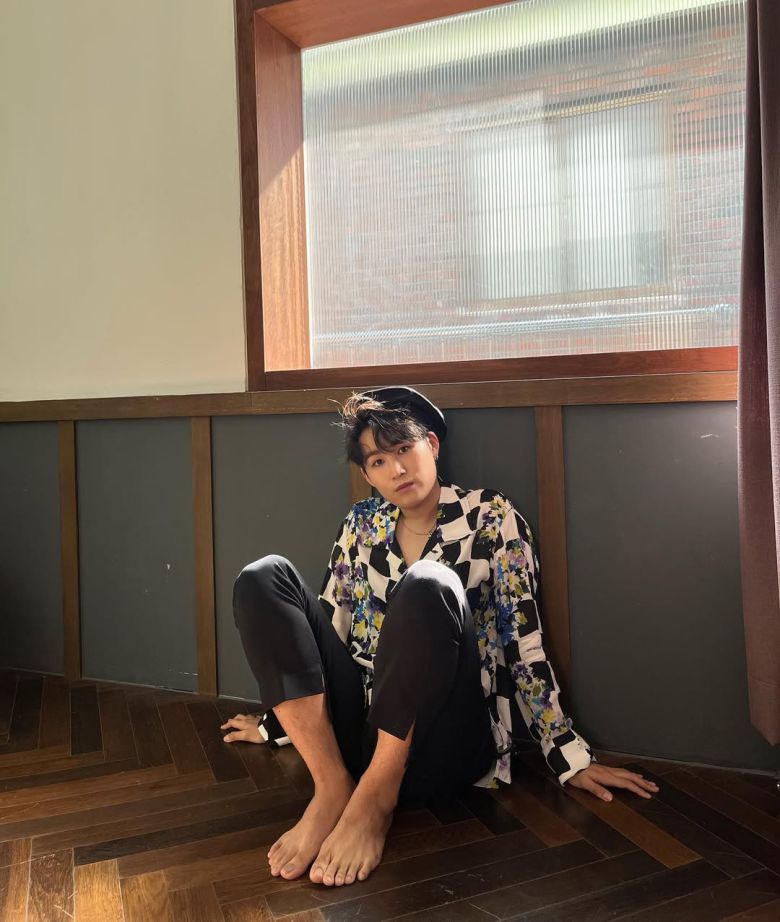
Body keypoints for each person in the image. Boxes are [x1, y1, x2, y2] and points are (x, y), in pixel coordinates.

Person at [221, 386, 659, 888]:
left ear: (431, 445)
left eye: (405, 449)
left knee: (428, 582)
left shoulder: (491, 517)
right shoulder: (361, 524)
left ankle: (375, 800)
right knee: (263, 576)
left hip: (443, 738)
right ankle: (332, 788)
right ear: (367, 475)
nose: (397, 469)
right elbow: (327, 626)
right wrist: (275, 725)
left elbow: (524, 641)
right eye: (379, 461)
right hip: (358, 733)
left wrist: (566, 754)